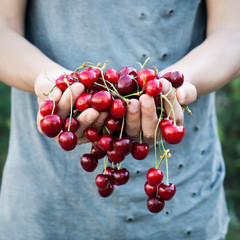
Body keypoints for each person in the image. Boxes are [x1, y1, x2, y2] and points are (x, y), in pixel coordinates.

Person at [0, 0, 240, 239]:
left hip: (185, 206)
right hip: (43, 206)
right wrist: (49, 79)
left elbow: (232, 31)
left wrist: (181, 83)